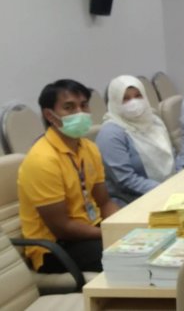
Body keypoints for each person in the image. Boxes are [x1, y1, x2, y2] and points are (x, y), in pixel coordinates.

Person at [17, 79, 119, 273]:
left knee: (141, 243)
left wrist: (121, 228)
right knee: (127, 259)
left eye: (84, 105)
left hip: (91, 230)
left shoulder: (89, 148)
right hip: (55, 247)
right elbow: (61, 227)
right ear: (50, 115)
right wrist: (109, 234)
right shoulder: (42, 160)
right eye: (69, 107)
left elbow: (104, 202)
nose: (80, 113)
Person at [96, 75, 175, 206]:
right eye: (125, 98)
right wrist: (165, 190)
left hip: (168, 190)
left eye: (138, 96)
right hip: (133, 200)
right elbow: (126, 180)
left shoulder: (154, 121)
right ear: (114, 102)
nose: (134, 102)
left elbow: (171, 153)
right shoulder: (110, 134)